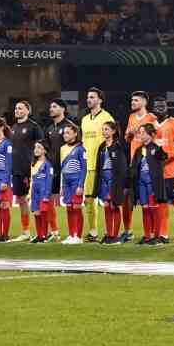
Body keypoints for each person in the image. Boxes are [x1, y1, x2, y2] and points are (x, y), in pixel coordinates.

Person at [78, 87, 114, 242]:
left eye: (92, 97)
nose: (89, 99)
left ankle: (110, 232)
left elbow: (112, 140)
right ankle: (93, 232)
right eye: (88, 97)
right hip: (88, 165)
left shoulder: (107, 117)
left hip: (103, 165)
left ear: (100, 100)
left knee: (107, 200)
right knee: (88, 200)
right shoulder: (84, 119)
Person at [128, 122, 169, 246]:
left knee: (154, 209)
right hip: (141, 183)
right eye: (139, 132)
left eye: (143, 132)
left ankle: (156, 236)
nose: (140, 135)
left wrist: (161, 148)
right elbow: (134, 167)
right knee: (145, 209)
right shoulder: (139, 150)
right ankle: (147, 236)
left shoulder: (155, 148)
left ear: (150, 135)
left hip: (152, 183)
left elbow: (163, 157)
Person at [153, 98, 174, 244]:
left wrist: (167, 155)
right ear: (153, 108)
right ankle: (163, 235)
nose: (160, 108)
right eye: (157, 106)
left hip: (173, 167)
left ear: (167, 107)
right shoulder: (151, 125)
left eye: (162, 106)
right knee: (161, 201)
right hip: (157, 168)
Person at [8, 101, 44, 241]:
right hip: (16, 169)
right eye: (16, 108)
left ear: (28, 111)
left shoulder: (34, 127)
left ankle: (42, 232)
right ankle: (26, 231)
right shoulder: (13, 128)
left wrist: (37, 166)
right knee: (21, 200)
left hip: (29, 169)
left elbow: (41, 147)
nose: (17, 110)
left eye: (20, 108)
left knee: (36, 200)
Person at [42, 99, 71, 241]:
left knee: (71, 203)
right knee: (48, 201)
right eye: (50, 106)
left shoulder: (70, 127)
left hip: (66, 171)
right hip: (51, 170)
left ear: (63, 109)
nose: (51, 109)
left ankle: (73, 233)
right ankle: (54, 232)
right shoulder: (49, 129)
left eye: (54, 106)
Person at [91, 121, 124, 245]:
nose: (104, 132)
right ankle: (109, 234)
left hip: (113, 178)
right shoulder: (101, 146)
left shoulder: (118, 146)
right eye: (103, 129)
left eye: (106, 129)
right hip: (103, 178)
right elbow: (98, 165)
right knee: (106, 206)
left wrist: (120, 182)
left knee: (114, 205)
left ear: (113, 131)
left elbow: (121, 166)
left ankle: (115, 235)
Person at [58, 121, 87, 244]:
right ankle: (71, 235)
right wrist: (61, 186)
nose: (65, 135)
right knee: (69, 208)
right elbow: (62, 168)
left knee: (76, 207)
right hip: (66, 182)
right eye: (64, 133)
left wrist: (80, 185)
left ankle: (78, 237)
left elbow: (84, 168)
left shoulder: (80, 149)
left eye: (68, 133)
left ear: (75, 134)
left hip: (76, 181)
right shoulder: (62, 149)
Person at [27, 142, 54, 244]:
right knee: (37, 213)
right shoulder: (33, 164)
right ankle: (39, 235)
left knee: (43, 213)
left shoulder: (48, 164)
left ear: (45, 151)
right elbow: (32, 180)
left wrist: (47, 195)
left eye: (39, 147)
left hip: (43, 192)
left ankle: (44, 235)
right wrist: (29, 194)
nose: (36, 149)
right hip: (35, 192)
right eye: (35, 147)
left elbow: (49, 180)